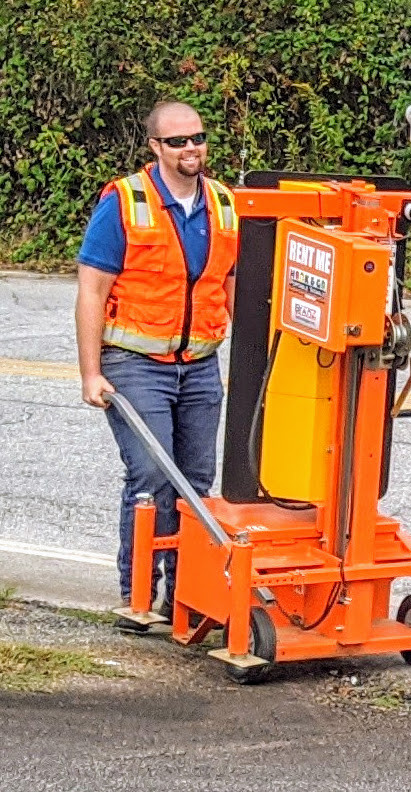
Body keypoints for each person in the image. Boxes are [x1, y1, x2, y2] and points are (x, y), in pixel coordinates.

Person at [75, 101, 237, 630]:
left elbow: (229, 283)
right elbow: (92, 291)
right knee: (151, 474)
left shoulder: (223, 204)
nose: (190, 148)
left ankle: (185, 596)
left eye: (198, 137)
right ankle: (139, 597)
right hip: (135, 362)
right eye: (177, 141)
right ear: (155, 148)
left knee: (196, 479)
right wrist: (90, 372)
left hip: (199, 364)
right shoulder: (125, 201)